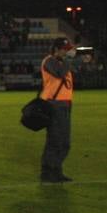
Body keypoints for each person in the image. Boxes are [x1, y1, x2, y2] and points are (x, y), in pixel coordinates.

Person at [39, 37, 77, 183]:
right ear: (57, 49)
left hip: (65, 104)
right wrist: (68, 60)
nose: (67, 52)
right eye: (65, 49)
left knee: (64, 141)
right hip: (54, 104)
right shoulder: (49, 61)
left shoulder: (61, 62)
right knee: (55, 139)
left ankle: (57, 170)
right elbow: (60, 73)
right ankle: (48, 172)